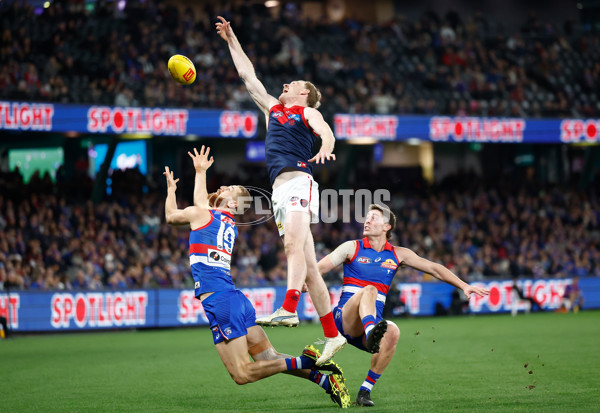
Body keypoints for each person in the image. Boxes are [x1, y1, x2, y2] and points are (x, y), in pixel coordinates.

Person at [163, 146, 350, 408]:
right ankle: (324, 380)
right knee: (269, 357)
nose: (223, 186)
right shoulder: (225, 220)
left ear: (232, 203)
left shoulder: (203, 214)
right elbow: (198, 206)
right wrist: (190, 180)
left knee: (241, 374)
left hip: (220, 301)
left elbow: (173, 216)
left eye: (228, 188)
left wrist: (190, 179)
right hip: (234, 298)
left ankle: (306, 361)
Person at [216, 16, 346, 365]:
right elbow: (248, 75)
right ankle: (333, 336)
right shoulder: (273, 109)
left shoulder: (305, 114)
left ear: (304, 93)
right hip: (279, 192)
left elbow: (325, 128)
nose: (285, 84)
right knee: (310, 269)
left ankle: (289, 308)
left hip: (299, 181)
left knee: (291, 246)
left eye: (293, 84)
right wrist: (231, 38)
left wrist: (326, 144)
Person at [317, 204, 490, 406]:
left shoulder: (398, 254)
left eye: (374, 218)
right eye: (367, 217)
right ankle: (372, 330)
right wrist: (304, 282)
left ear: (386, 227)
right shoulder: (351, 247)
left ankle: (365, 392)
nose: (367, 220)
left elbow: (434, 268)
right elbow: (321, 267)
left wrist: (464, 285)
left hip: (367, 327)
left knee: (393, 332)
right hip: (345, 320)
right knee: (370, 290)